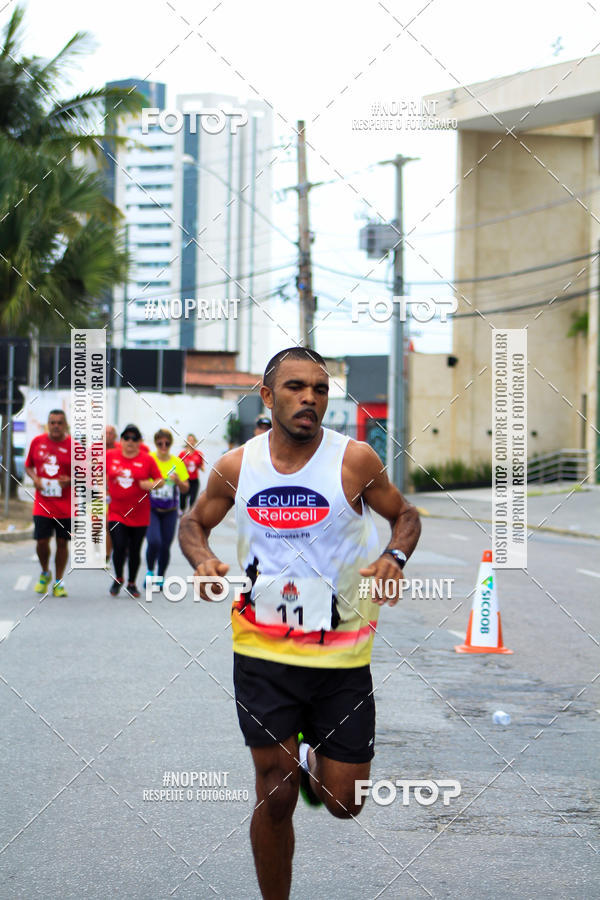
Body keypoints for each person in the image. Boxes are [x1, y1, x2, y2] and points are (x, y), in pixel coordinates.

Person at [179, 347, 421, 899]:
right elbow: (194, 522)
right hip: (263, 651)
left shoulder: (354, 461)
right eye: (295, 387)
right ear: (268, 396)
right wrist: (202, 559)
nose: (310, 397)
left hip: (341, 656)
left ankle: (314, 763)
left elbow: (405, 514)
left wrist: (395, 556)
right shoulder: (237, 466)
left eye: (320, 388)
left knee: (345, 802)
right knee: (276, 792)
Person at [107, 424, 162, 598]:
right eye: (127, 438)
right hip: (116, 512)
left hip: (139, 514)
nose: (130, 441)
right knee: (119, 545)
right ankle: (118, 578)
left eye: (134, 438)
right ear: (121, 440)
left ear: (139, 442)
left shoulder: (147, 460)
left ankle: (131, 582)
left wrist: (151, 485)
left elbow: (160, 480)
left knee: (134, 549)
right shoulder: (110, 456)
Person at [25, 409, 72, 597]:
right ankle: (45, 572)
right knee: (42, 541)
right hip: (43, 504)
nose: (56, 426)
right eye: (52, 422)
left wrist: (70, 480)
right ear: (48, 424)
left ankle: (58, 581)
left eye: (60, 423)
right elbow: (28, 466)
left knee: (62, 543)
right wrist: (35, 478)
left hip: (65, 505)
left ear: (65, 425)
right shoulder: (37, 442)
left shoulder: (74, 447)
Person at [146, 429, 189, 587]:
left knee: (165, 545)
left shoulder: (177, 462)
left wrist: (178, 481)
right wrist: (153, 484)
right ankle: (150, 571)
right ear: (155, 443)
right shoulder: (149, 459)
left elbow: (186, 488)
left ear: (170, 444)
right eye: (160, 443)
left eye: (167, 443)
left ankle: (160, 576)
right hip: (151, 509)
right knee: (154, 541)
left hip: (170, 511)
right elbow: (140, 481)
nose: (163, 446)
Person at [178, 433, 204, 513]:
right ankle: (182, 513)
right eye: (189, 440)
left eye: (192, 440)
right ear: (187, 442)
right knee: (182, 501)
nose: (191, 442)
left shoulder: (199, 454)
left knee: (192, 502)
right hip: (185, 480)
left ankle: (189, 516)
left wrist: (200, 466)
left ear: (195, 442)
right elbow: (177, 467)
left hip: (194, 481)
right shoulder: (182, 454)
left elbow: (202, 467)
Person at [105, 425, 118, 566]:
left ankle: (107, 556)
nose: (108, 435)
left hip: (114, 493)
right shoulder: (94, 451)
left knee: (109, 525)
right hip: (96, 492)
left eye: (111, 433)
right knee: (97, 525)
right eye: (106, 433)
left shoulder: (120, 450)